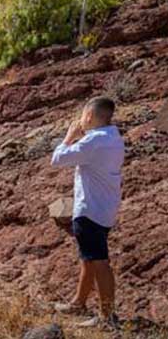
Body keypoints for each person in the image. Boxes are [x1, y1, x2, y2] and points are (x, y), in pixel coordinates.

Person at [50, 96, 125, 329]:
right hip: (104, 209)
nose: (81, 120)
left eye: (83, 116)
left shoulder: (93, 142)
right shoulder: (112, 138)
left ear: (90, 116)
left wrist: (69, 137)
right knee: (89, 259)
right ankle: (78, 302)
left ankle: (107, 317)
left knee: (100, 262)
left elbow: (58, 159)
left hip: (90, 209)